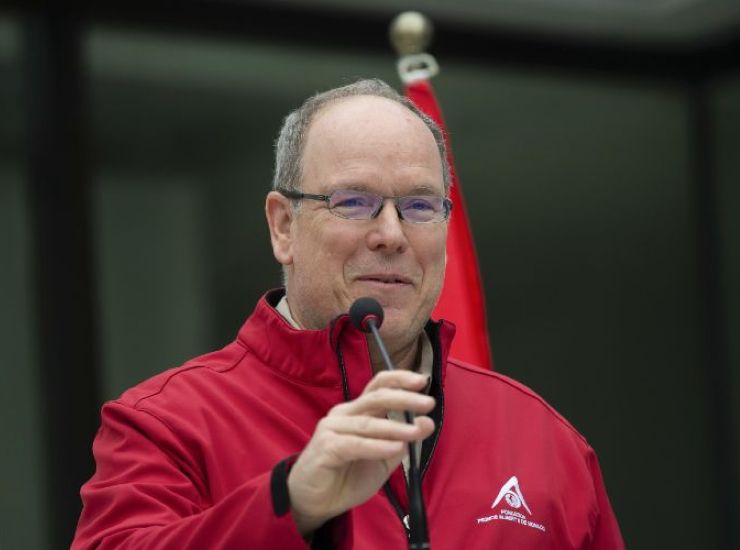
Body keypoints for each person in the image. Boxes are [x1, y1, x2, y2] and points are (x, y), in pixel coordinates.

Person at [72, 79, 624, 549]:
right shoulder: (167, 425)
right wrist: (291, 502)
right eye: (354, 202)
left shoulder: (543, 441)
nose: (391, 235)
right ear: (283, 227)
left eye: (420, 206)